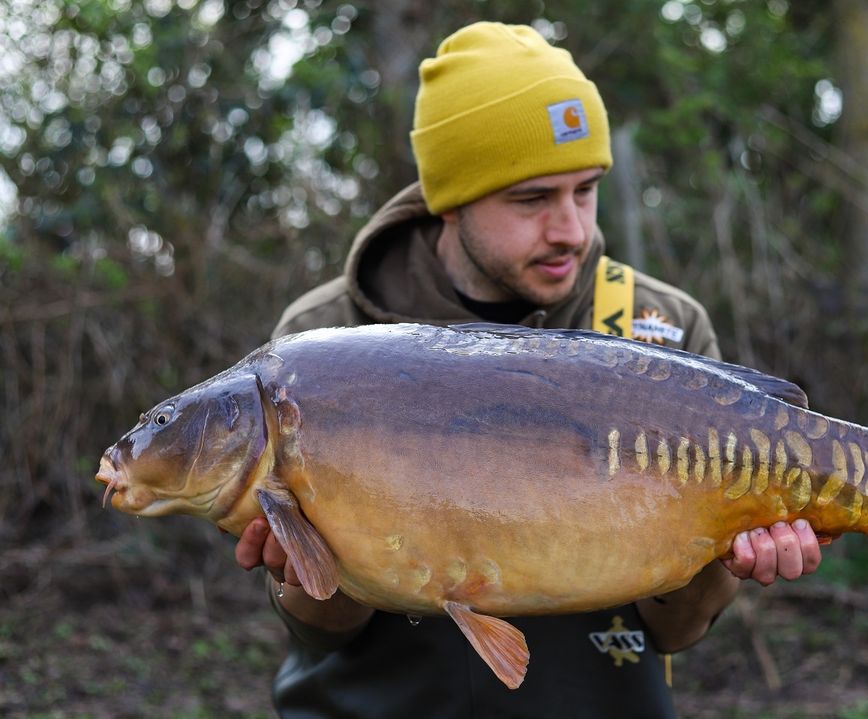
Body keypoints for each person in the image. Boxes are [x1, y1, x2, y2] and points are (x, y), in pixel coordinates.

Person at [234, 21, 822, 718]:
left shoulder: (656, 326)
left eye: (585, 190)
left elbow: (676, 628)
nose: (572, 229)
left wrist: (731, 556)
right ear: (449, 198)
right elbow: (318, 629)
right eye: (533, 198)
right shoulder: (320, 343)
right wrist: (302, 565)